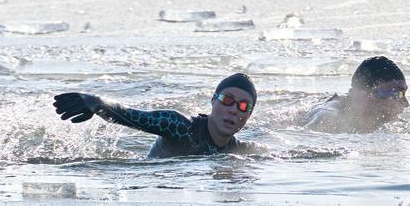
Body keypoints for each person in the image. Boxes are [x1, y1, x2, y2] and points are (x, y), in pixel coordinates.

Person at [53, 73, 259, 158]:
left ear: (249, 115)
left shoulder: (241, 150)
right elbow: (133, 116)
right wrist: (97, 103)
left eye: (243, 106)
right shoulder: (181, 127)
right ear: (213, 101)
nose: (234, 109)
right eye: (227, 100)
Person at [302, 56, 409, 133]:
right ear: (367, 96)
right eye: (397, 94)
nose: (406, 103)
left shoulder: (380, 121)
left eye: (404, 94)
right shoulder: (328, 117)